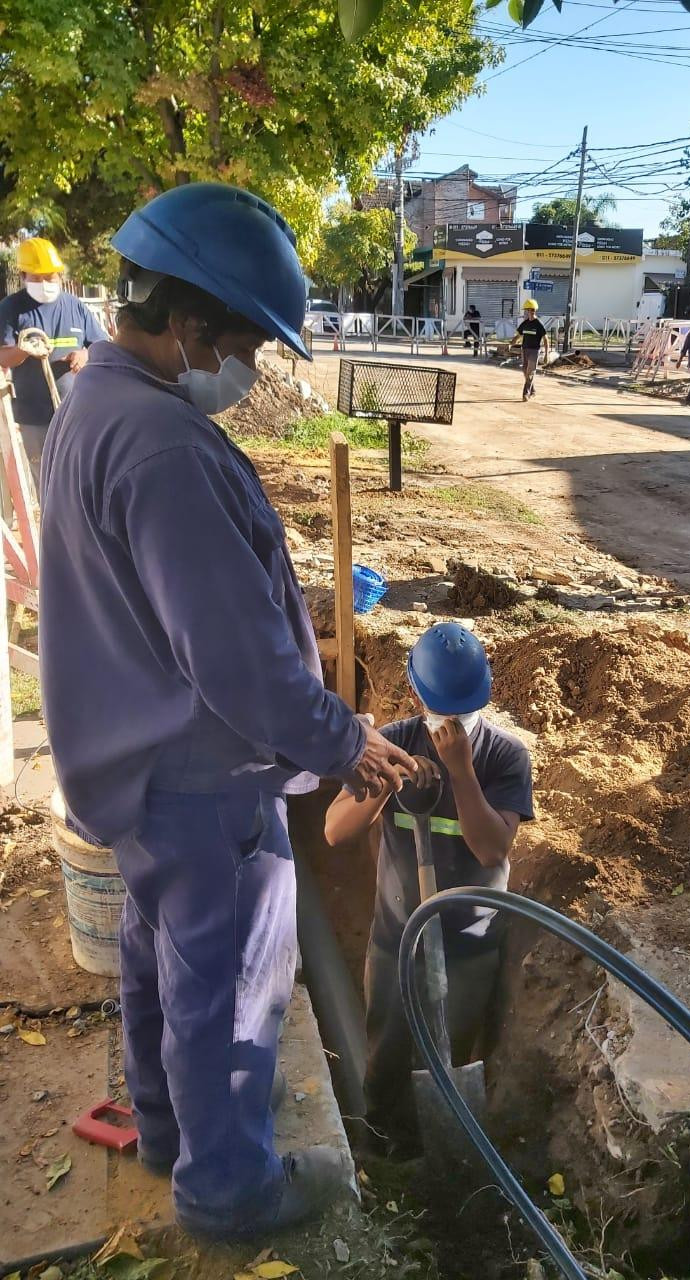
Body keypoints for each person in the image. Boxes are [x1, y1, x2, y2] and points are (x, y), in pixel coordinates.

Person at [38, 183, 418, 1237]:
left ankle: (166, 1129)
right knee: (235, 988)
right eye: (247, 341)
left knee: (163, 957)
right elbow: (238, 661)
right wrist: (345, 741)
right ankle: (231, 1191)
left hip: (132, 761)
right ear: (190, 322)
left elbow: (182, 604)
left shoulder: (96, 404)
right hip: (207, 778)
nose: (249, 368)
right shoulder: (164, 447)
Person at [325, 623, 534, 1155]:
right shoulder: (393, 742)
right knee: (387, 1055)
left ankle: (441, 1153)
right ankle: (380, 1148)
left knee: (449, 1057)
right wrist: (382, 784)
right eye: (443, 710)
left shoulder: (504, 758)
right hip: (397, 940)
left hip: (468, 946)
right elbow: (334, 830)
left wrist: (461, 773)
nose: (452, 723)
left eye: (462, 710)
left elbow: (492, 851)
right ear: (418, 696)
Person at [0, 237, 109, 493]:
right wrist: (22, 350)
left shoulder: (74, 306)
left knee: (84, 478)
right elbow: (3, 356)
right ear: (24, 275)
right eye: (38, 278)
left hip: (78, 411)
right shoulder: (11, 308)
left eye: (51, 277)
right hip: (34, 416)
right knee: (48, 483)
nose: (46, 284)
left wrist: (84, 354)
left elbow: (101, 346)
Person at [516, 298, 549, 401]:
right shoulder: (525, 323)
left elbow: (545, 339)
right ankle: (533, 390)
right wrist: (511, 343)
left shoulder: (538, 324)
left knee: (530, 372)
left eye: (528, 310)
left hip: (534, 351)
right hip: (524, 349)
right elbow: (518, 335)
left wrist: (547, 354)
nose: (526, 312)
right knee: (525, 371)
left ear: (533, 311)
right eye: (526, 310)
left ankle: (526, 393)